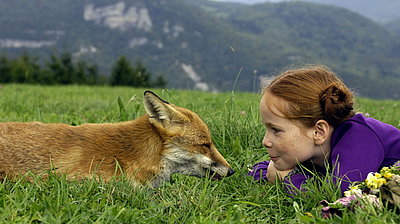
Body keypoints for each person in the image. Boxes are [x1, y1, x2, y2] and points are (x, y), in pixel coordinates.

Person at [247, 65, 400, 194]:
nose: (265, 141)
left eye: (276, 130)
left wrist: (287, 180)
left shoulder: (359, 139)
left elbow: (339, 193)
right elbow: (261, 170)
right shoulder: (311, 151)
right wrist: (274, 173)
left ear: (318, 132)